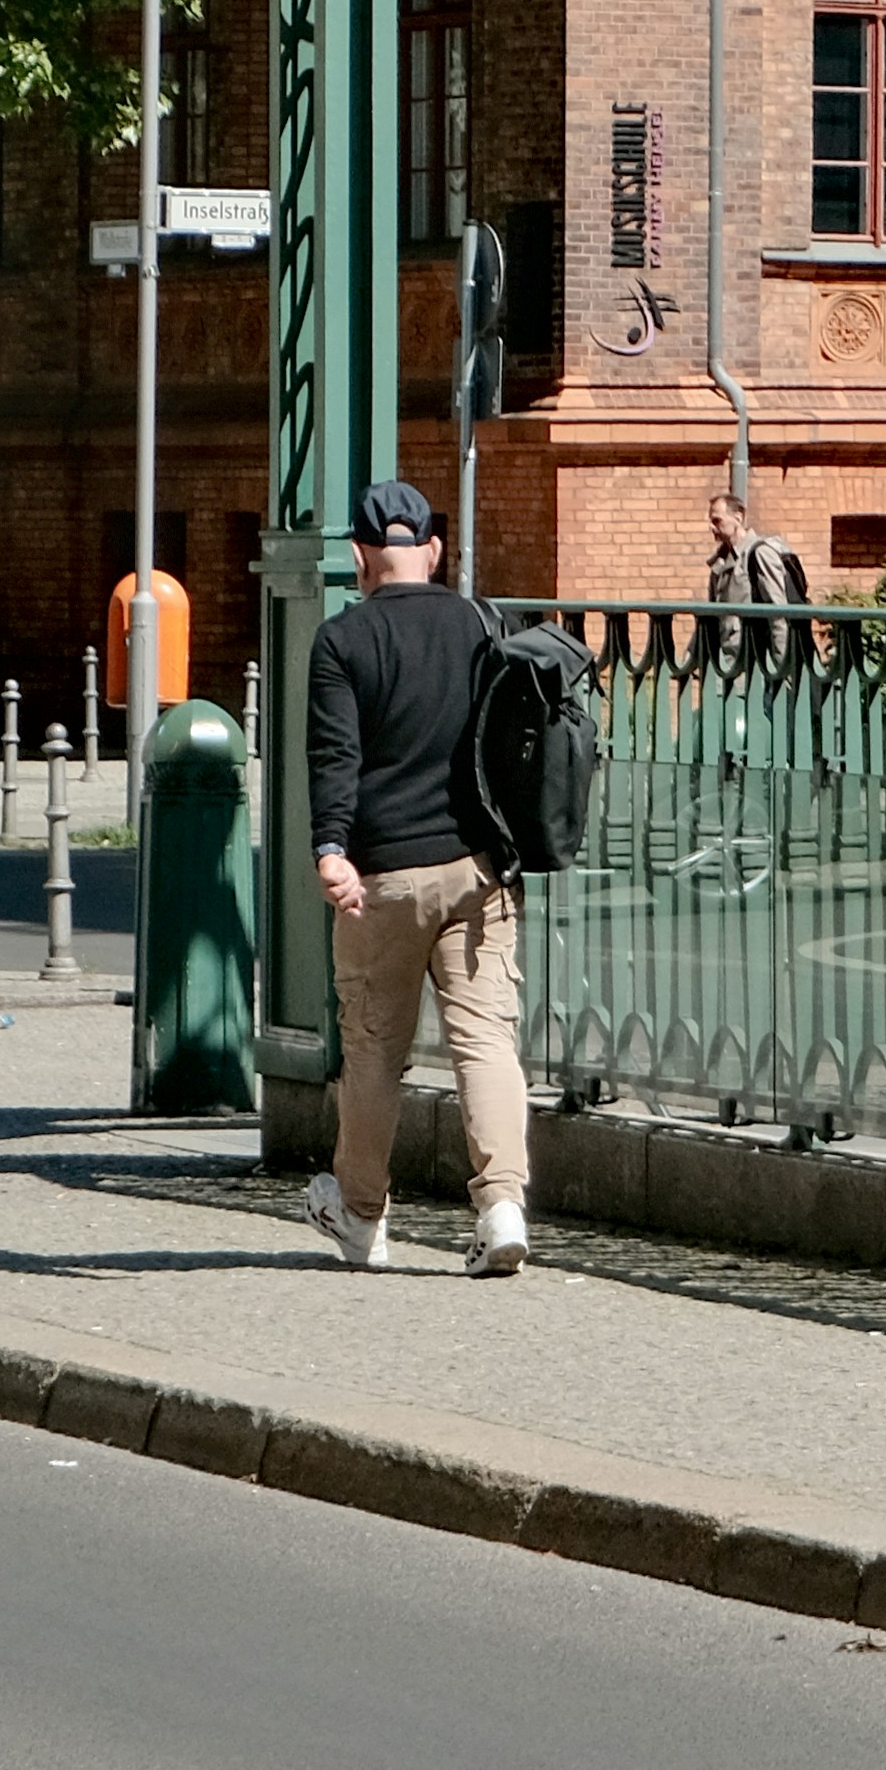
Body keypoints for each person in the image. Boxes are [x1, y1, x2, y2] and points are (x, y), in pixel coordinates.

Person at [303, 479, 530, 1276]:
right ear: (432, 550)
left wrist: (332, 848)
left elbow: (337, 758)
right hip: (480, 870)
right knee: (484, 1041)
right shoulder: (480, 622)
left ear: (362, 558)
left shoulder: (343, 642)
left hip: (384, 878)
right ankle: (501, 1207)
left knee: (371, 1050)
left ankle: (362, 1218)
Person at [703, 477, 814, 661]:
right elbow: (710, 617)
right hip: (729, 663)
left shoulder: (760, 554)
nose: (711, 527)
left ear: (737, 518)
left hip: (757, 666)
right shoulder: (720, 561)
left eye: (717, 521)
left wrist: (782, 668)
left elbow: (778, 613)